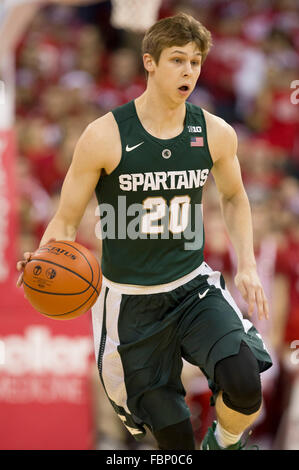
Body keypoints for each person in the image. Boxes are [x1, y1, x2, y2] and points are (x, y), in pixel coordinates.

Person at [17, 13, 272, 450]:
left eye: (195, 62)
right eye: (177, 60)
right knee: (173, 441)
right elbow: (64, 218)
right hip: (129, 304)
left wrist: (246, 263)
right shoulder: (104, 136)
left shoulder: (214, 132)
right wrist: (44, 259)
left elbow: (233, 197)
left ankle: (223, 443)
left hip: (192, 287)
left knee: (245, 382)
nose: (188, 71)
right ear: (150, 62)